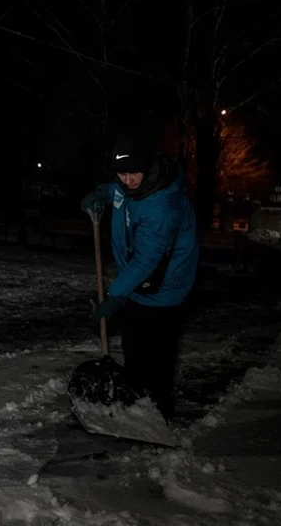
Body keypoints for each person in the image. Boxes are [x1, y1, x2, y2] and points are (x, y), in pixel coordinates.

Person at [80, 134, 200, 419]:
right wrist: (101, 193)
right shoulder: (129, 187)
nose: (128, 180)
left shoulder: (162, 205)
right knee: (134, 345)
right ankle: (135, 404)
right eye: (122, 173)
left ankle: (159, 412)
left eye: (134, 173)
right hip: (139, 282)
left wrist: (113, 296)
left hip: (166, 287)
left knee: (157, 352)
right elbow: (116, 192)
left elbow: (146, 260)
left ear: (148, 168)